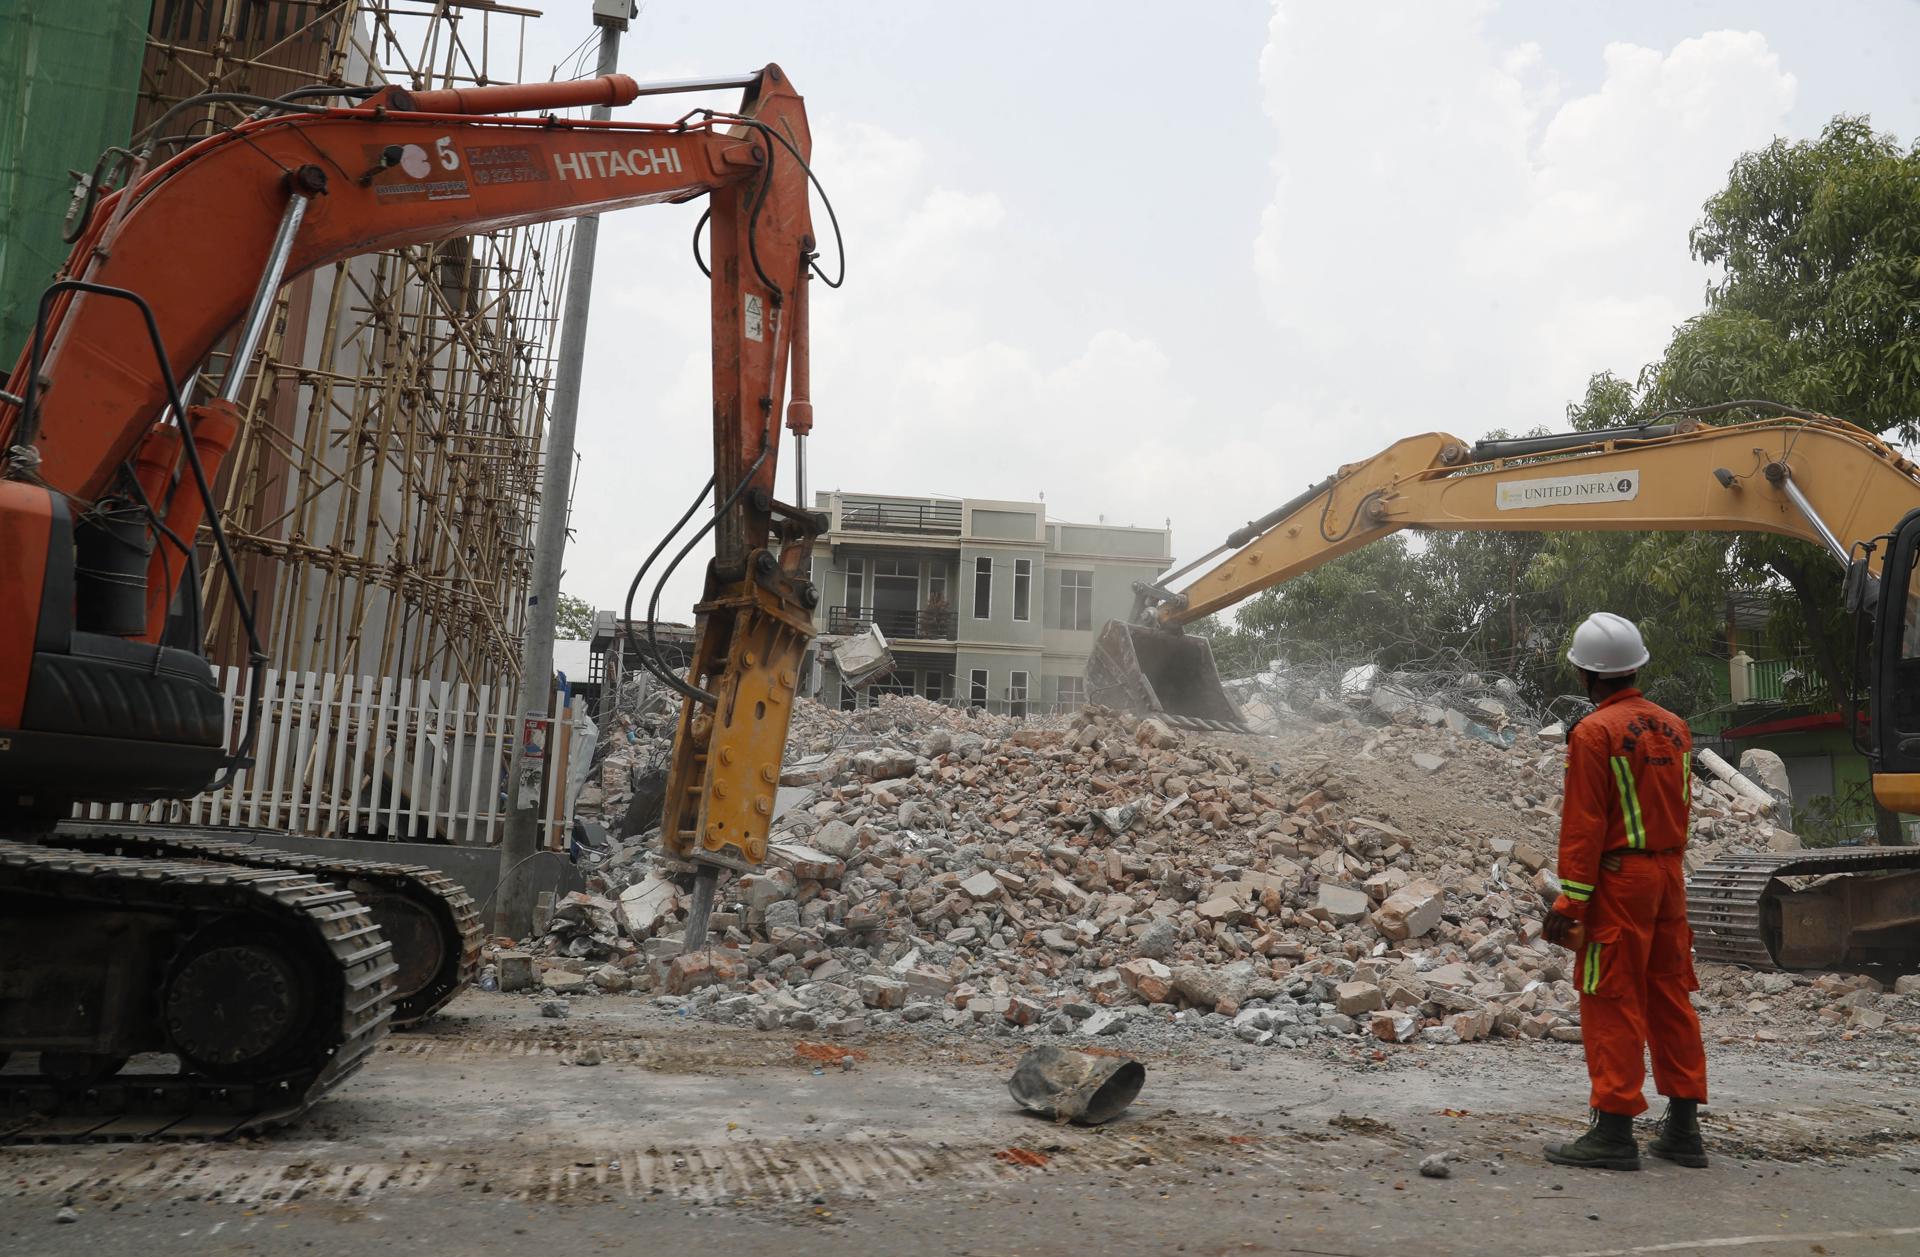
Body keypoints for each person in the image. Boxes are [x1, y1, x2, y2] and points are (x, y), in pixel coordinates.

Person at [1541, 612, 1709, 1172]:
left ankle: (1613, 1131)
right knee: (1670, 996)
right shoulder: (1676, 728)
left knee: (1611, 995)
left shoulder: (1595, 733)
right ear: (1635, 667)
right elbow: (1678, 806)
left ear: (1586, 675)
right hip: (1668, 878)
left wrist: (1570, 902)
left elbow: (1584, 824)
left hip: (1620, 882)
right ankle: (1683, 1130)